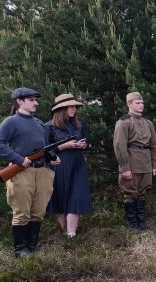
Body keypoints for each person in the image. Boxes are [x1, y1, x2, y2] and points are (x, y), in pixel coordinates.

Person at [0, 87, 60, 258]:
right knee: (22, 211)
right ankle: (20, 249)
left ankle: (32, 246)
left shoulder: (39, 123)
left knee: (38, 210)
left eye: (36, 100)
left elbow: (42, 148)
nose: (36, 103)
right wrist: (19, 159)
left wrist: (52, 158)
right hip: (21, 172)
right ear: (19, 101)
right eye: (32, 100)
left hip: (42, 172)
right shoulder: (10, 122)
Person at [46, 94, 91, 238]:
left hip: (78, 165)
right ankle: (65, 230)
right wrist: (64, 146)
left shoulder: (79, 125)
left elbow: (86, 143)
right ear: (61, 109)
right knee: (61, 198)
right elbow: (45, 152)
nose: (74, 109)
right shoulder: (49, 127)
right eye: (71, 106)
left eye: (75, 106)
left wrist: (84, 145)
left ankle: (71, 233)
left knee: (76, 197)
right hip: (60, 166)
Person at [113, 92, 156, 231]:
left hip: (145, 162)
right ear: (129, 104)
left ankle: (142, 222)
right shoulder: (124, 122)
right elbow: (120, 146)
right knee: (130, 193)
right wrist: (125, 167)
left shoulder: (148, 123)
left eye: (142, 103)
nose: (141, 105)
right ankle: (133, 224)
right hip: (131, 163)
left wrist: (154, 164)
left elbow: (154, 144)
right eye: (138, 103)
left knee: (142, 192)